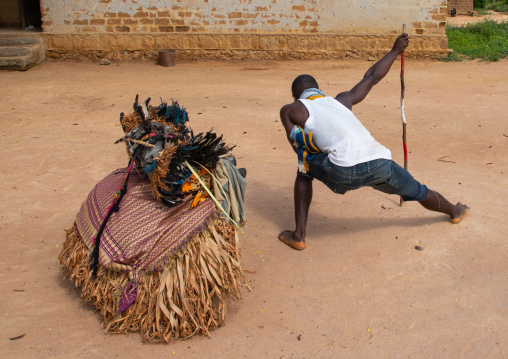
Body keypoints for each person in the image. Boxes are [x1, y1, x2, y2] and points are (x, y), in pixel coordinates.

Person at [278, 33, 469, 250]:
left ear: (296, 97)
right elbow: (371, 77)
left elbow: (296, 145)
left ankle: (299, 236)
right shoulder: (341, 100)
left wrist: (314, 148)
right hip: (380, 163)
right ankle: (455, 210)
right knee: (417, 190)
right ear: (319, 90)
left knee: (303, 169)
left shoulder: (291, 109)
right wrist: (396, 50)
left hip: (343, 171)